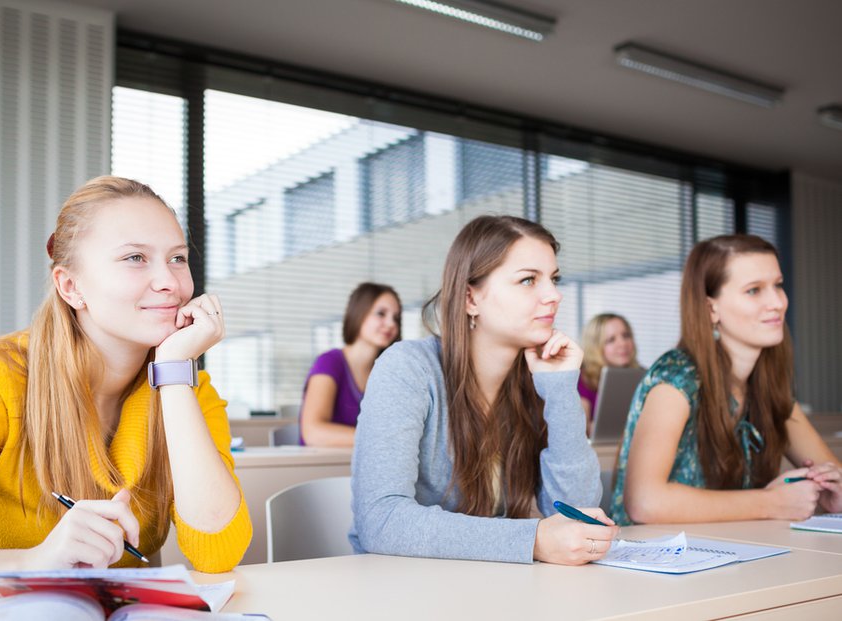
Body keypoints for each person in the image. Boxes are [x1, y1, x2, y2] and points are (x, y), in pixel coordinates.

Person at [0, 176, 252, 600]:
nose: (170, 282)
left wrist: (175, 375)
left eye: (178, 258)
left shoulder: (187, 386)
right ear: (71, 286)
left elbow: (218, 553)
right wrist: (35, 565)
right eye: (134, 258)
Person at [351, 215, 618, 565]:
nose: (554, 296)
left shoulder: (538, 380)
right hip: (407, 591)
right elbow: (381, 520)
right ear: (470, 299)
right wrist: (532, 540)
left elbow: (578, 513)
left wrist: (560, 389)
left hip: (505, 588)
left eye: (554, 280)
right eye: (527, 280)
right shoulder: (408, 368)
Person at [610, 234, 842, 525]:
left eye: (778, 285)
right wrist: (770, 503)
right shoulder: (677, 376)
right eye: (754, 290)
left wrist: (832, 491)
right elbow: (644, 502)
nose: (778, 302)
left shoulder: (767, 383)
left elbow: (831, 472)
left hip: (737, 555)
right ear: (711, 308)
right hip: (651, 561)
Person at [299, 283, 401, 447]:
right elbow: (313, 432)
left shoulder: (387, 373)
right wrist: (380, 440)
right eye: (381, 314)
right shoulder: (329, 362)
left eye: (396, 318)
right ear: (359, 314)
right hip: (322, 466)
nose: (391, 324)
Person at [578, 313, 640, 436]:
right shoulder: (582, 379)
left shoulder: (642, 375)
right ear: (595, 346)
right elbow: (580, 430)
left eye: (626, 335)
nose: (623, 343)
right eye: (611, 340)